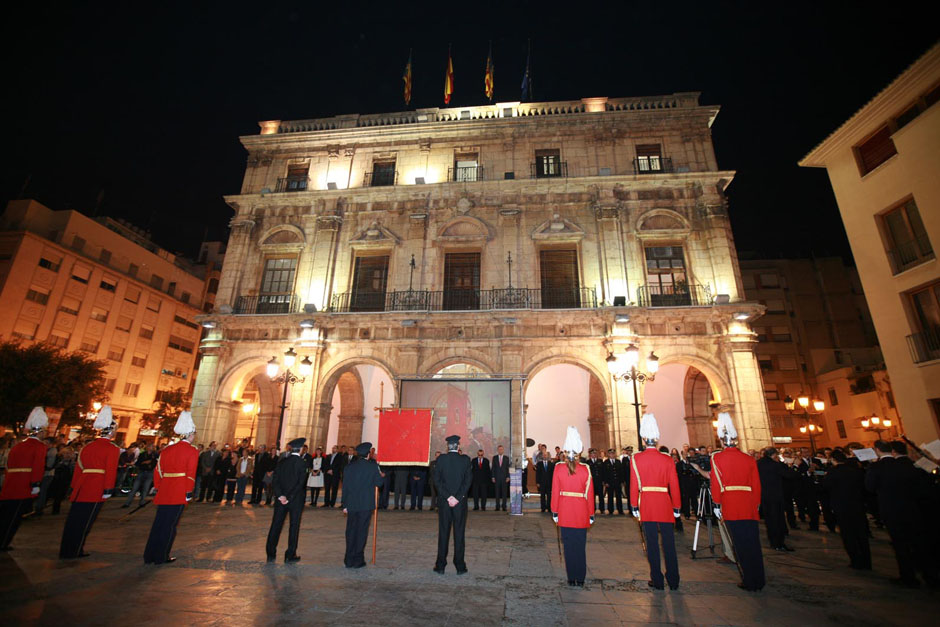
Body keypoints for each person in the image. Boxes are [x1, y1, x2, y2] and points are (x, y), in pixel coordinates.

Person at [865, 440, 937, 588]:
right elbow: (924, 487)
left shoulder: (877, 466)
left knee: (900, 545)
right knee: (920, 544)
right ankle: (931, 577)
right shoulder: (912, 465)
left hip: (892, 511)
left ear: (878, 450)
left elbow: (870, 488)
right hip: (914, 510)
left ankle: (908, 577)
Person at [710, 413, 765, 592]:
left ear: (722, 440)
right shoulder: (749, 459)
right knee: (754, 543)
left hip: (731, 504)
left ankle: (749, 580)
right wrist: (756, 504)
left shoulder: (717, 458)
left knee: (740, 544)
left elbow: (716, 484)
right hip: (749, 505)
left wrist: (717, 503)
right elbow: (756, 484)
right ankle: (760, 578)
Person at [60, 406, 121, 559]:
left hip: (81, 487)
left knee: (73, 520)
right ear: (111, 431)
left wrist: (74, 487)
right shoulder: (112, 449)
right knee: (86, 522)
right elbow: (111, 470)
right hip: (96, 487)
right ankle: (76, 550)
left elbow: (78, 469)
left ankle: (66, 548)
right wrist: (108, 490)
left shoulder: (87, 447)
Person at [630, 414, 681, 590]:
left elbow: (634, 484)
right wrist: (677, 506)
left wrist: (634, 506)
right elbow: (674, 484)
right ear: (657, 439)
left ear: (644, 438)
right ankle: (673, 580)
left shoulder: (637, 458)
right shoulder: (667, 459)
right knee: (669, 544)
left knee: (651, 544)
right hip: (665, 504)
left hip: (647, 504)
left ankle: (657, 579)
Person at [144, 411, 199, 564]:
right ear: (189, 434)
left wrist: (158, 487)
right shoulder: (192, 451)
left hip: (164, 491)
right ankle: (162, 556)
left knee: (158, 523)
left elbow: (158, 471)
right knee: (170, 526)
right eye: (193, 433)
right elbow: (190, 474)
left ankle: (149, 555)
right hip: (179, 491)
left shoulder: (167, 450)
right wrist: (188, 492)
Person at [551, 427, 594, 586]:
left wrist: (555, 511)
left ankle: (571, 578)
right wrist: (591, 513)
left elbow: (555, 491)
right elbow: (589, 494)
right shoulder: (585, 469)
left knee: (568, 545)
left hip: (564, 510)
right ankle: (580, 578)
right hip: (581, 511)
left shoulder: (559, 468)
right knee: (580, 545)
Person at [0, 408, 49, 550]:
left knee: (4, 513)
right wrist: (35, 484)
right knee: (15, 516)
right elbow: (38, 466)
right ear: (40, 432)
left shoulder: (18, 446)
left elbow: (9, 464)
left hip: (10, 483)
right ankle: (3, 543)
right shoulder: (40, 447)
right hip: (24, 484)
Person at [823, 449, 871, 570]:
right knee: (861, 534)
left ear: (833, 460)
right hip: (857, 505)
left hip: (841, 506)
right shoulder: (856, 471)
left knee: (848, 534)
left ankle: (855, 560)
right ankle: (867, 560)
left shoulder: (832, 472)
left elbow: (825, 487)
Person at [433, 434, 472, 574]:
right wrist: (457, 497)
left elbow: (436, 481)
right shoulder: (465, 460)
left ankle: (440, 565)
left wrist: (448, 497)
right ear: (458, 446)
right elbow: (467, 482)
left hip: (444, 503)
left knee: (443, 533)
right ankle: (460, 566)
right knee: (459, 533)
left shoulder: (441, 459)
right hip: (460, 504)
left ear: (448, 447)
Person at [341, 442, 385, 568]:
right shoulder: (372, 467)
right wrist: (381, 475)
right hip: (366, 504)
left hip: (352, 503)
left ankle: (348, 559)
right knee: (361, 531)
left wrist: (344, 504)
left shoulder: (349, 467)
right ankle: (358, 559)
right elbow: (379, 483)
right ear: (368, 454)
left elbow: (345, 487)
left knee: (350, 531)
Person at [265, 438, 308, 563]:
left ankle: (270, 552)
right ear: (300, 449)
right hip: (295, 500)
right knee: (294, 526)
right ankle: (290, 553)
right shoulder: (302, 463)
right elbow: (300, 483)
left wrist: (280, 495)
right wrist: (289, 497)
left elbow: (275, 480)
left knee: (276, 525)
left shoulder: (282, 462)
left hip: (280, 499)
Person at [756, 447, 794, 552]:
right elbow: (789, 475)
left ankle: (773, 540)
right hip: (775, 496)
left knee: (769, 520)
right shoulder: (775, 465)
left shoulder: (758, 463)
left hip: (764, 496)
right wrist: (794, 465)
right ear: (774, 455)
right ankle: (778, 543)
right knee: (778, 520)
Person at [123, 443, 156, 508]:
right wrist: (144, 462)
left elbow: (155, 464)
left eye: (152, 447)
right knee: (135, 488)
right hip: (142, 471)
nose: (150, 448)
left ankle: (142, 502)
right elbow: (138, 463)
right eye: (149, 446)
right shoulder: (142, 454)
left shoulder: (155, 455)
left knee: (145, 488)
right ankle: (128, 503)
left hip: (149, 472)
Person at [603, 449, 624, 515]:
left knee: (618, 497)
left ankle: (620, 510)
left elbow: (621, 472)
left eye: (613, 453)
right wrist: (605, 482)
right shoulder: (606, 462)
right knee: (610, 496)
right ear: (608, 454)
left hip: (617, 482)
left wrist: (622, 481)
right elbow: (604, 473)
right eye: (610, 453)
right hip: (610, 482)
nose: (612, 455)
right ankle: (610, 510)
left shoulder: (618, 462)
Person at [534, 447, 554, 513]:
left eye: (546, 455)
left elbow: (552, 474)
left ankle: (549, 508)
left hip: (549, 483)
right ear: (542, 456)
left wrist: (553, 483)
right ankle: (543, 508)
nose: (545, 456)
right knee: (542, 496)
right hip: (542, 483)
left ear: (547, 456)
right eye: (544, 455)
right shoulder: (539, 464)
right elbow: (537, 474)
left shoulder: (551, 464)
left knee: (549, 496)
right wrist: (537, 482)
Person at [492, 445, 510, 511]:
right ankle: (497, 506)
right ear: (497, 450)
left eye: (501, 449)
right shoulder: (494, 458)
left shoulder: (506, 458)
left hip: (504, 478)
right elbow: (493, 468)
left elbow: (508, 468)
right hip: (497, 478)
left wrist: (508, 476)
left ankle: (504, 506)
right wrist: (493, 477)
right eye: (499, 449)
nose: (500, 450)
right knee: (497, 493)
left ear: (503, 450)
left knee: (504, 493)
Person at [586, 448, 604, 514]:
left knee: (601, 496)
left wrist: (603, 480)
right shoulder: (588, 462)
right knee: (591, 496)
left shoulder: (600, 461)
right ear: (590, 454)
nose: (594, 455)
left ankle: (602, 509)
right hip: (591, 481)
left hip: (599, 481)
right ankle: (592, 509)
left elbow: (603, 472)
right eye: (592, 453)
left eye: (595, 453)